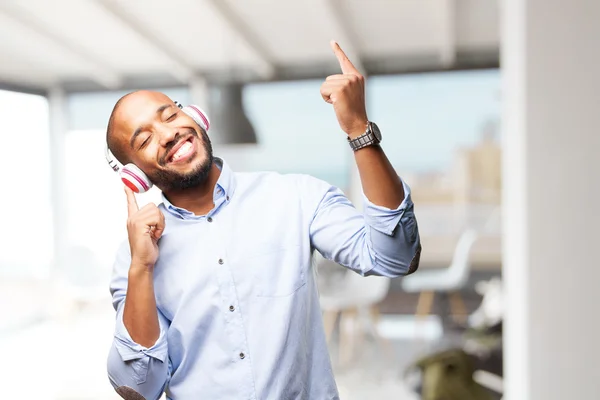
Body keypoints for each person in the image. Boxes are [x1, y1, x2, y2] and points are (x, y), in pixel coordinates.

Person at [106, 41, 422, 400]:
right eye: (145, 139)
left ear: (194, 115)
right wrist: (142, 269)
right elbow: (139, 389)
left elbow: (396, 257)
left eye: (169, 116)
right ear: (135, 176)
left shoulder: (296, 197)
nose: (168, 134)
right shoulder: (133, 261)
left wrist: (358, 130)